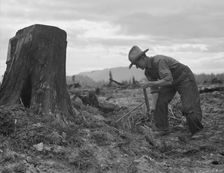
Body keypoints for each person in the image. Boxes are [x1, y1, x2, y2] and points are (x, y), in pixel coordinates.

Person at [128, 45, 203, 136]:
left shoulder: (159, 61)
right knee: (160, 102)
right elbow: (155, 91)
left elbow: (168, 79)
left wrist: (149, 84)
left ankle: (197, 131)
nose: (136, 67)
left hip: (183, 77)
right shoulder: (148, 72)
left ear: (143, 58)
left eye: (136, 63)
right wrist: (153, 109)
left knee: (189, 107)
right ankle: (163, 128)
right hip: (169, 82)